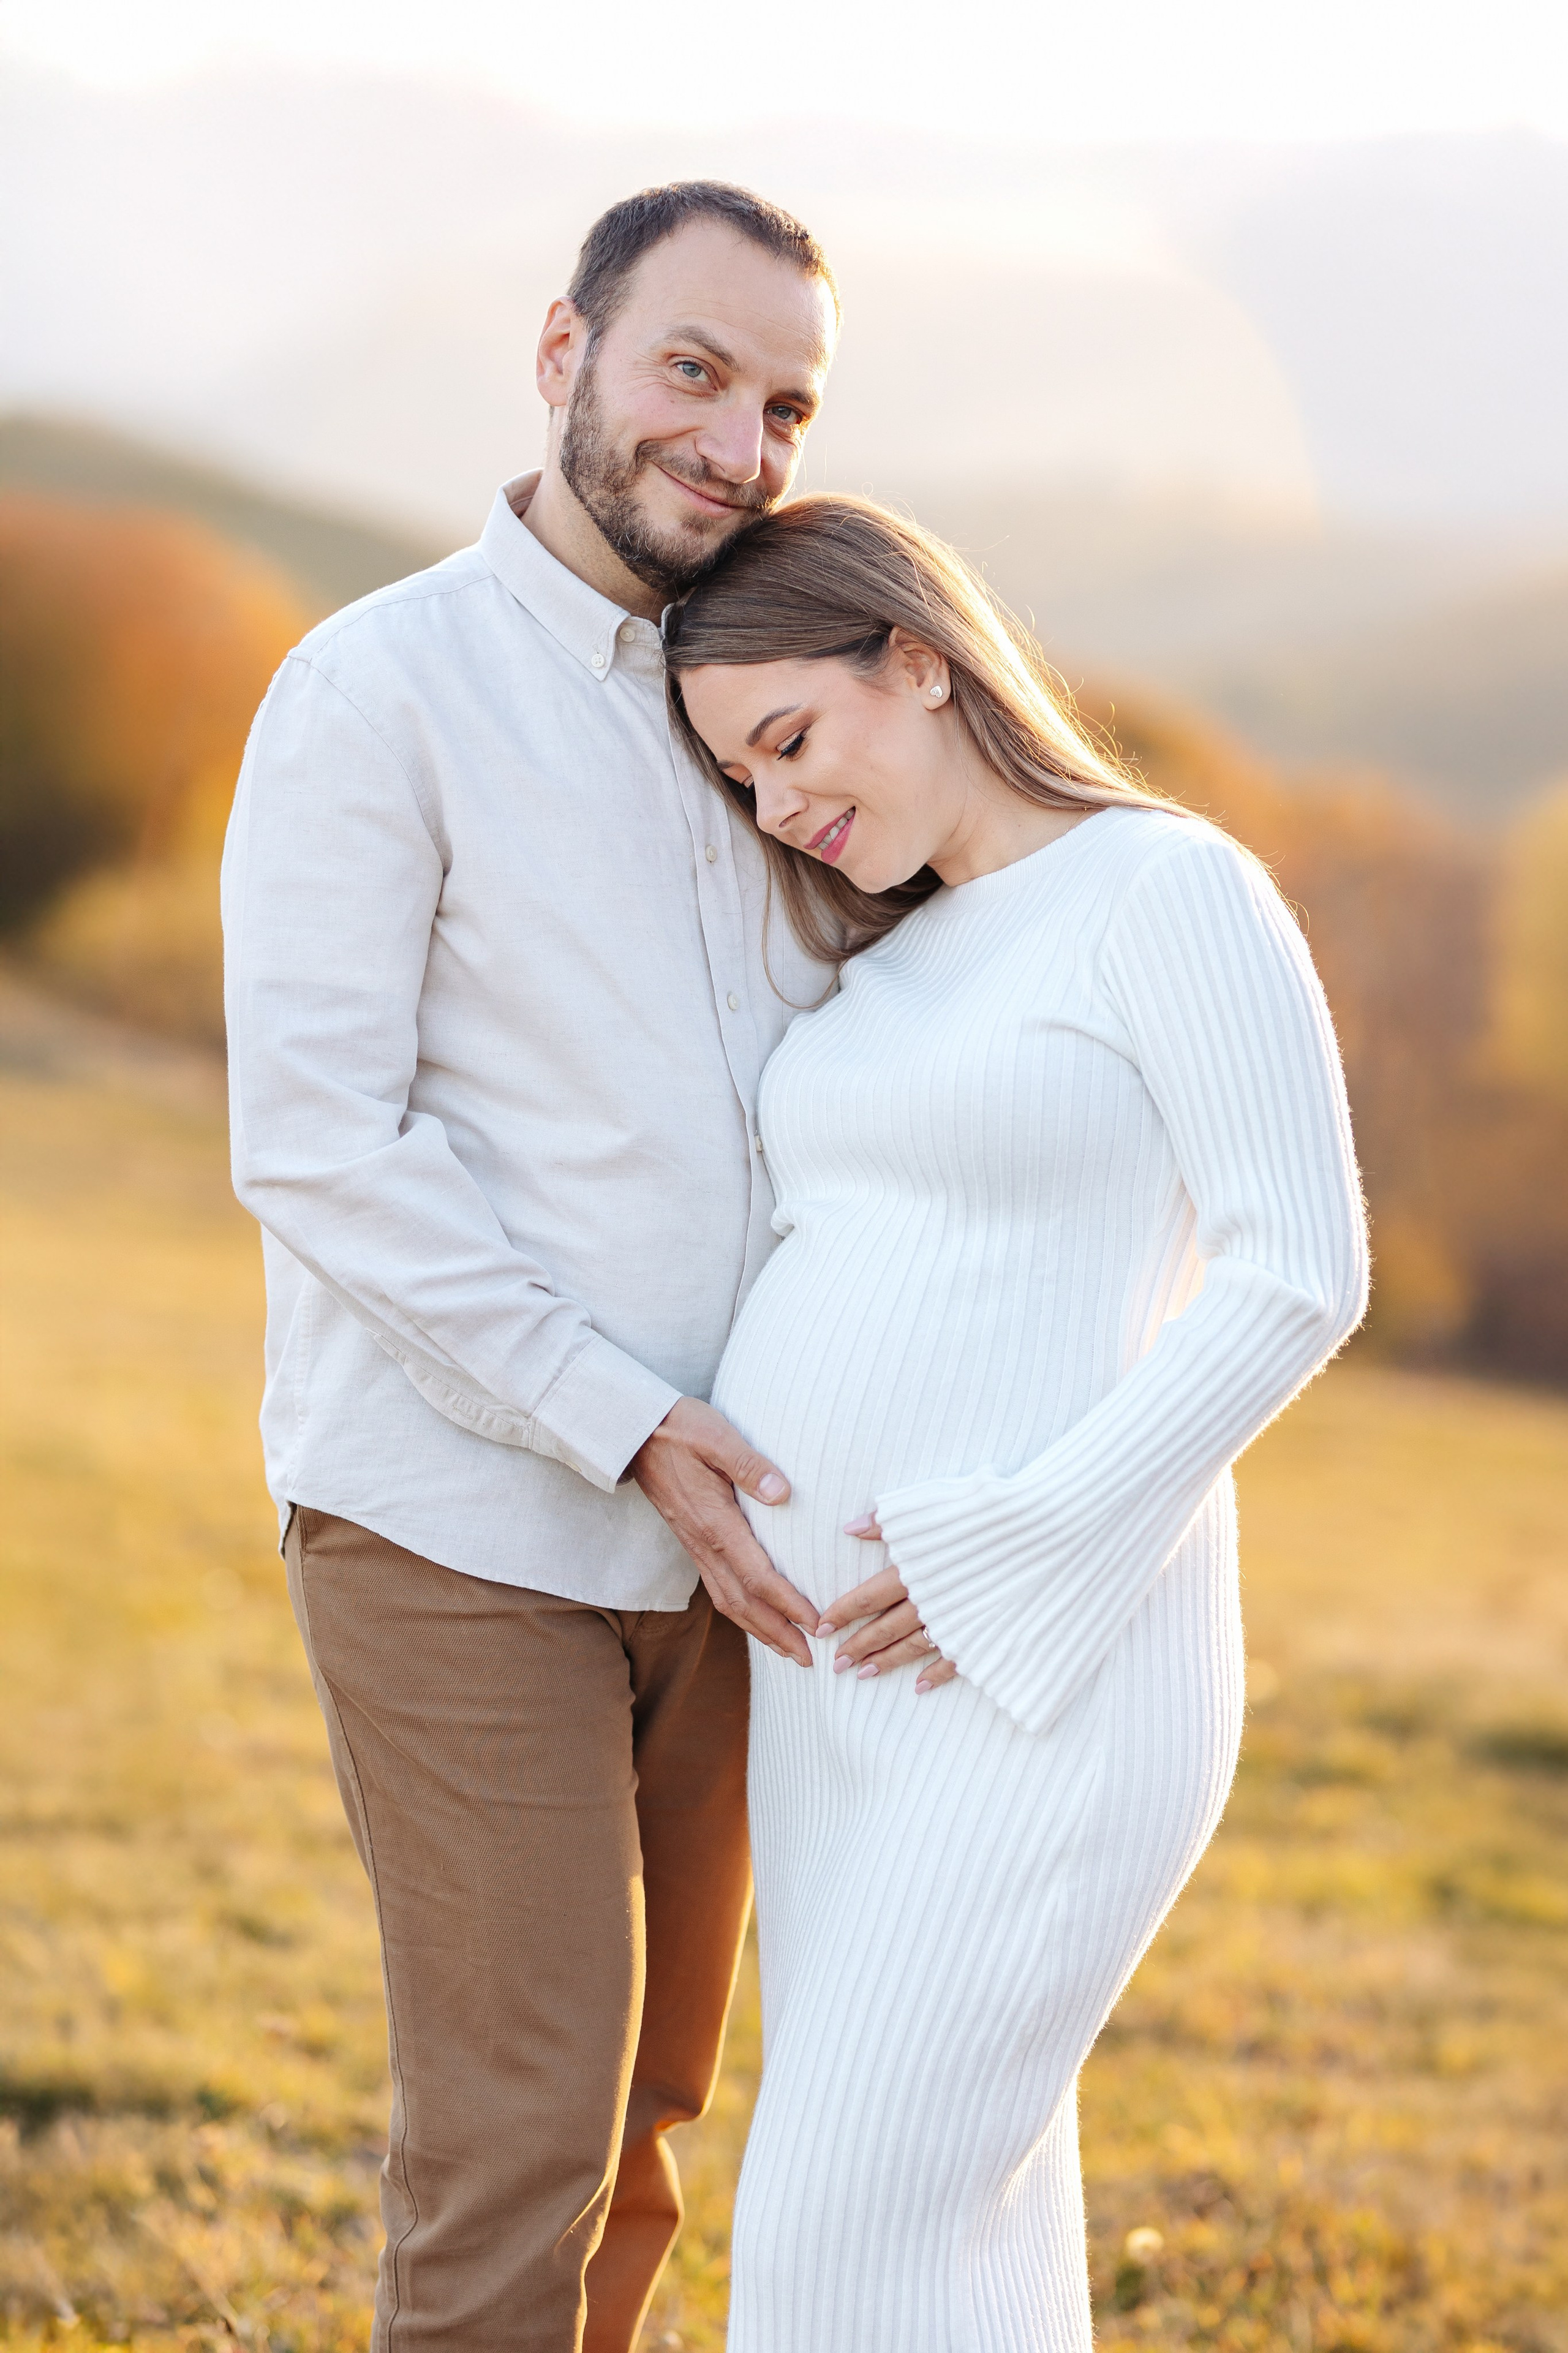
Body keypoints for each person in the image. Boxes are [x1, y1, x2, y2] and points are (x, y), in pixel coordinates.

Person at [221, 184, 839, 2353]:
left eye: (784, 403)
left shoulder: (761, 705)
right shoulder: (372, 686)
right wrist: (626, 1420)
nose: (742, 443)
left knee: (654, 2114)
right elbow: (315, 1137)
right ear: (563, 354)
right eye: (695, 369)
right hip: (465, 1515)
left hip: (730, 1542)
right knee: (522, 2130)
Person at [665, 496, 1370, 2352]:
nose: (777, 809)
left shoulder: (1167, 888)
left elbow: (1300, 1270)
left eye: (792, 743)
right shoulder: (883, 963)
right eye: (740, 779)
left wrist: (1023, 1544)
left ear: (917, 652)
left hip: (1043, 1673)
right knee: (953, 2246)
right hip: (838, 1689)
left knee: (833, 2227)